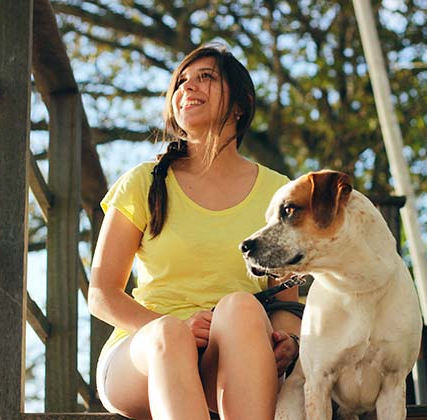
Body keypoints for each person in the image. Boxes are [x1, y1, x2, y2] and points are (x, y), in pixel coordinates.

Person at [88, 43, 302, 420]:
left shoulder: (276, 192)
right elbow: (102, 294)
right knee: (170, 335)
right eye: (181, 82)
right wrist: (180, 327)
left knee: (241, 305)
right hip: (143, 356)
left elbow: (285, 296)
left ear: (240, 104)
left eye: (206, 78)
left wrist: (291, 341)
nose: (188, 87)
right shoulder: (143, 182)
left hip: (232, 355)